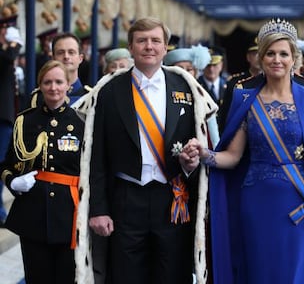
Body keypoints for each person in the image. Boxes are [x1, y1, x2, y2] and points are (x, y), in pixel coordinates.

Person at [182, 18, 304, 283]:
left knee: (297, 272)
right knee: (261, 272)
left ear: (294, 59)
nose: (276, 59)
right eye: (270, 53)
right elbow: (232, 156)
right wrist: (204, 153)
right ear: (260, 58)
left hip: (301, 204)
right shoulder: (245, 99)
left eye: (283, 54)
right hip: (256, 203)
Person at [79, 17, 218, 284]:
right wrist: (98, 208)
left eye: (155, 41)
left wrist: (190, 164)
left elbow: (200, 144)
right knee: (126, 276)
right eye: (141, 41)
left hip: (173, 199)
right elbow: (96, 156)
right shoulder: (108, 91)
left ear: (165, 47)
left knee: (173, 274)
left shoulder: (187, 88)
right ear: (131, 47)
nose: (149, 46)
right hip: (126, 200)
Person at [0, 60, 84, 283]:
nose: (53, 87)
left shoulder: (82, 122)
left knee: (68, 277)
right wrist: (13, 182)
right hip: (33, 212)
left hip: (70, 214)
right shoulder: (24, 121)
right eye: (47, 82)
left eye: (59, 82)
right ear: (40, 86)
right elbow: (7, 165)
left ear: (68, 85)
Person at [0, 15, 22, 228]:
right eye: (5, 29)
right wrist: (14, 44)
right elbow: (8, 58)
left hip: (5, 117)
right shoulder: (5, 52)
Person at [30, 32, 88, 107]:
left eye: (71, 52)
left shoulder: (91, 98)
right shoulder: (38, 99)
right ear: (53, 58)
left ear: (80, 58)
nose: (66, 56)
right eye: (60, 53)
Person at [218, 36, 262, 133]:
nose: (259, 57)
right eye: (255, 54)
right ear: (248, 57)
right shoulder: (235, 83)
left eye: (261, 54)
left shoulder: (271, 82)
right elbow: (225, 115)